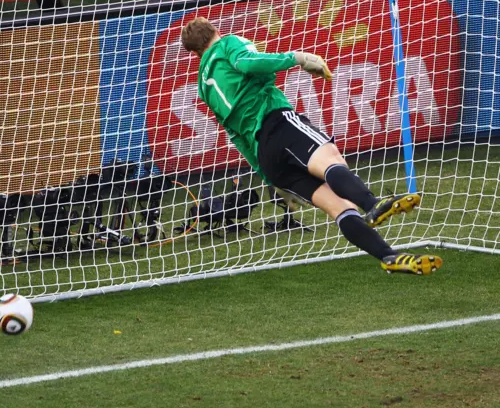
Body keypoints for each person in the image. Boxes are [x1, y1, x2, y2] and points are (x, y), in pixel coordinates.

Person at [180, 17, 442, 275]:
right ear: (215, 30)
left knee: (339, 207)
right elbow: (247, 63)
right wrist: (297, 58)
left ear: (195, 52)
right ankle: (372, 203)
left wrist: (269, 178)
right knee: (330, 160)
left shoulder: (204, 87)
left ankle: (389, 256)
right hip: (276, 122)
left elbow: (234, 135)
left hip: (265, 155)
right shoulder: (227, 44)